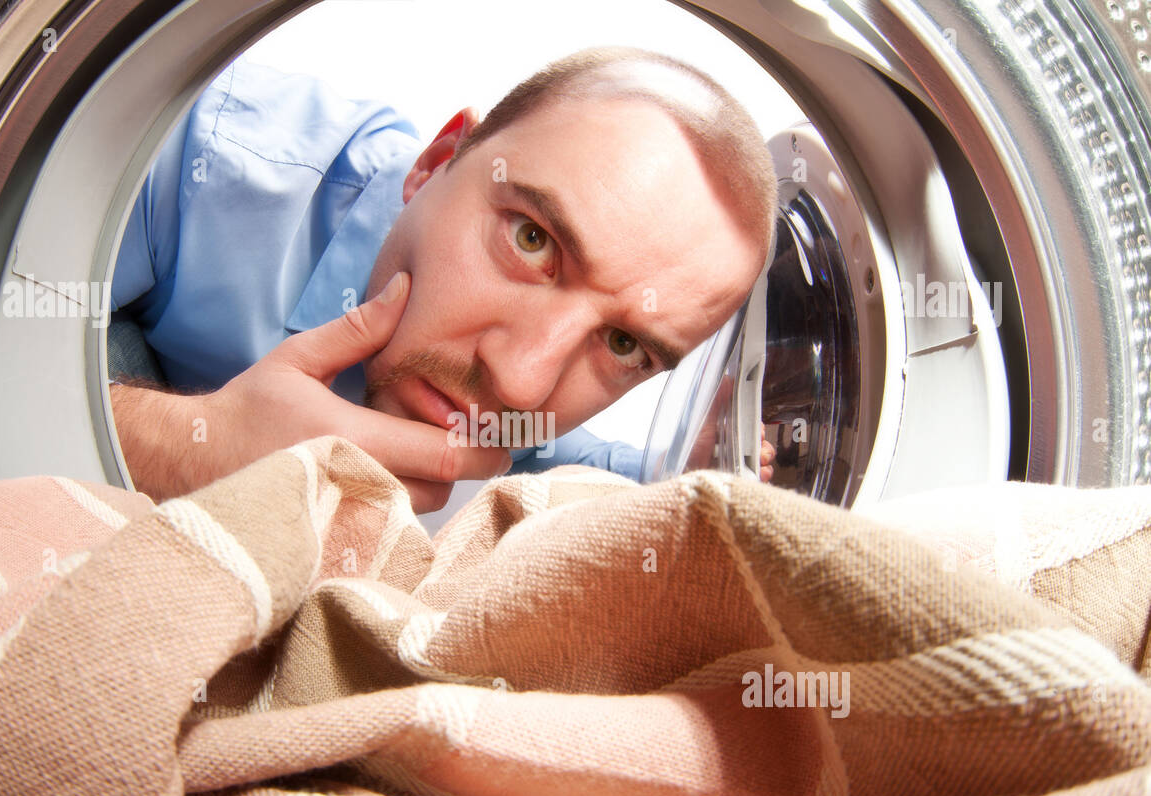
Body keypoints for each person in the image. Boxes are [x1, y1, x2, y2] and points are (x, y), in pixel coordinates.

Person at [107, 46, 778, 511]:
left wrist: (679, 470)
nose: (522, 382)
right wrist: (192, 446)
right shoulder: (211, 155)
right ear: (436, 161)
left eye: (625, 345)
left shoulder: (526, 387)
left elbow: (556, 451)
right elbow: (3, 321)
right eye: (532, 240)